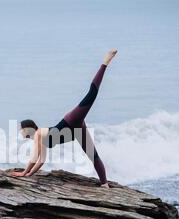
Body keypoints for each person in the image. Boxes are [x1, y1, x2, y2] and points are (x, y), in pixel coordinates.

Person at [8, 50, 118, 187]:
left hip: (71, 120)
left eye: (21, 129)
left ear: (27, 129)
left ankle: (105, 62)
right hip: (76, 130)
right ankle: (104, 184)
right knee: (93, 156)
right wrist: (29, 174)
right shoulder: (40, 137)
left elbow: (34, 159)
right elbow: (41, 161)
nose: (20, 132)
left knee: (91, 95)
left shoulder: (38, 134)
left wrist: (24, 173)